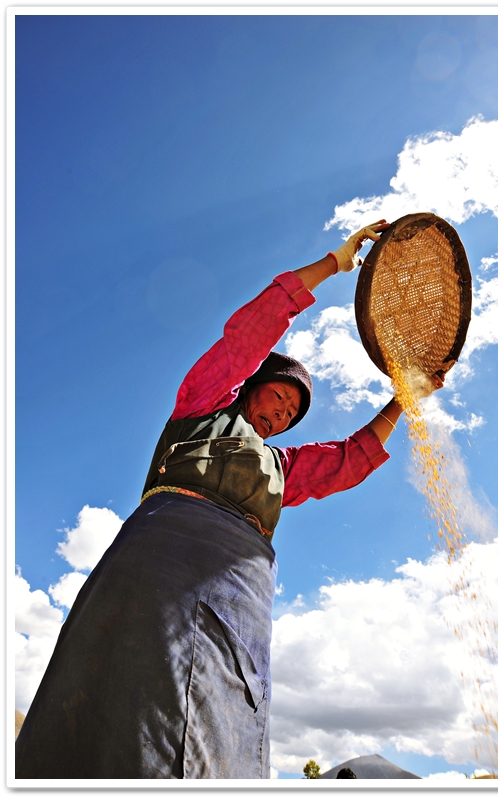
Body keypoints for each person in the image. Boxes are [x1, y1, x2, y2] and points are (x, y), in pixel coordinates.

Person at [15, 221, 444, 779]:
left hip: (241, 591)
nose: (283, 414)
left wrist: (404, 398)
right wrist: (334, 264)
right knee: (126, 694)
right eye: (278, 397)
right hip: (162, 559)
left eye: (292, 413)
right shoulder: (202, 407)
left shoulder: (281, 467)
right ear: (248, 387)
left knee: (222, 715)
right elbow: (252, 332)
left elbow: (349, 458)